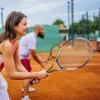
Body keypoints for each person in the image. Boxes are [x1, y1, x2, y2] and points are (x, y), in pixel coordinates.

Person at [0, 11, 48, 100]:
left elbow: (18, 65)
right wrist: (36, 74)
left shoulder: (16, 42)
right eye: (24, 24)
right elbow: (11, 74)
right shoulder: (6, 44)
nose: (27, 27)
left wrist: (32, 76)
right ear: (14, 26)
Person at [19, 24, 47, 100]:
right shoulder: (32, 38)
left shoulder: (32, 36)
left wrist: (41, 60)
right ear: (37, 30)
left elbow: (33, 53)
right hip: (21, 58)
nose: (43, 31)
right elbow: (33, 54)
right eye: (42, 29)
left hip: (23, 58)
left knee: (28, 74)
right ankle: (24, 97)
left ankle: (26, 88)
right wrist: (41, 63)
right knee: (27, 76)